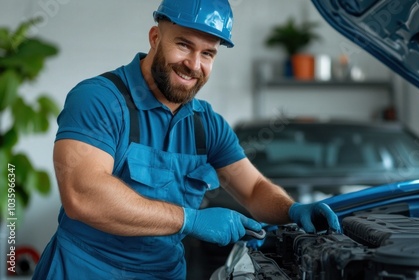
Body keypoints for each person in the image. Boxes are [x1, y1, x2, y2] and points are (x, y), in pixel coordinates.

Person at [33, 0, 340, 279]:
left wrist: (293, 210)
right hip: (84, 270)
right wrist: (190, 220)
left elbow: (254, 188)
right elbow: (82, 195)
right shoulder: (99, 99)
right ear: (155, 38)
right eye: (183, 45)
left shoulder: (207, 125)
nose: (194, 64)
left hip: (164, 273)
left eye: (207, 53)